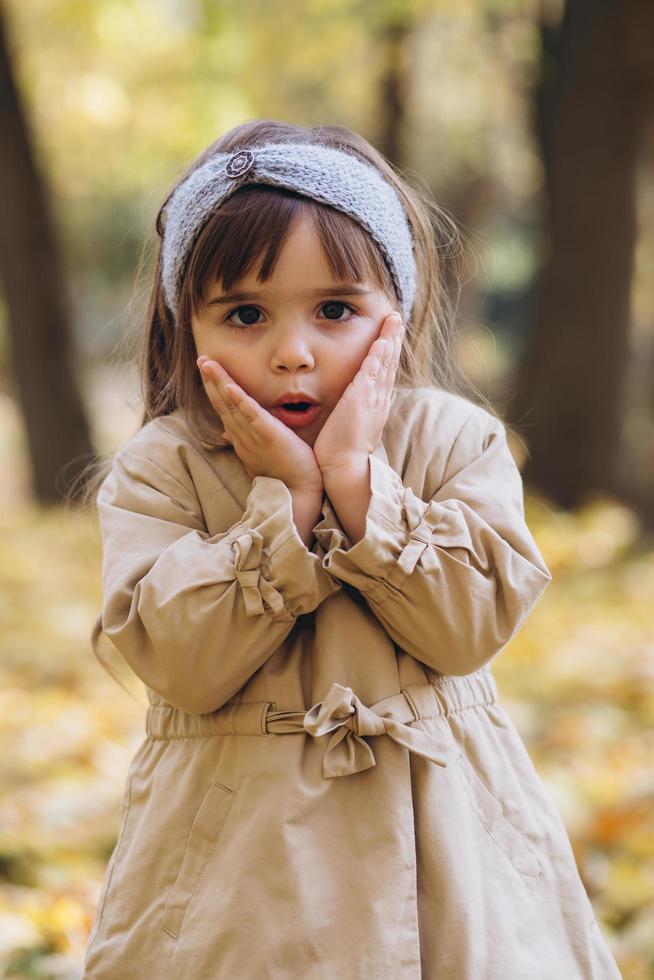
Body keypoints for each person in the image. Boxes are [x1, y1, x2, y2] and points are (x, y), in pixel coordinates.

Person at [82, 119, 622, 979]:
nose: (293, 354)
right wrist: (288, 504)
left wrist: (358, 483)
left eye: (335, 310)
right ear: (188, 327)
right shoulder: (163, 469)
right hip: (235, 879)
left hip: (452, 856)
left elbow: (467, 627)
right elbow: (178, 659)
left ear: (394, 314)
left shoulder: (452, 443)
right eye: (245, 315)